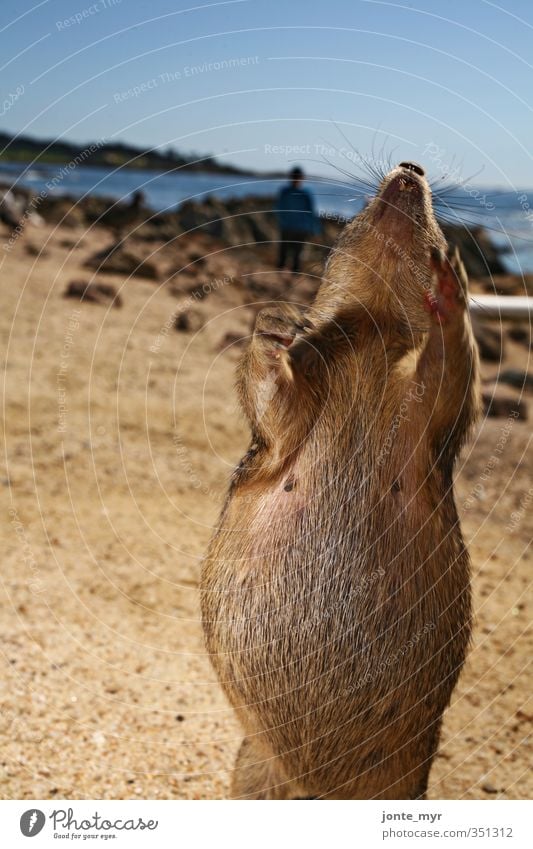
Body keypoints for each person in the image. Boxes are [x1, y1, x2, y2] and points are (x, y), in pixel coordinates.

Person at [275, 166, 318, 273]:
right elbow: (311, 212)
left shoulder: (304, 193)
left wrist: (315, 228)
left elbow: (311, 212)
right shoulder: (287, 192)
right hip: (292, 227)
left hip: (296, 228)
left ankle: (291, 276)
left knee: (294, 254)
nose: (296, 179)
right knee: (287, 253)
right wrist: (315, 229)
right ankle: (283, 275)